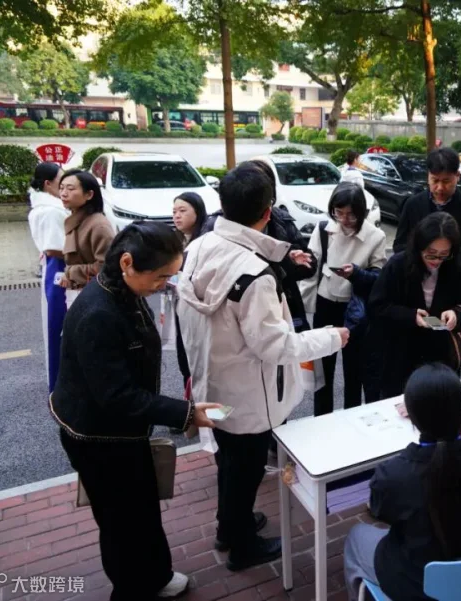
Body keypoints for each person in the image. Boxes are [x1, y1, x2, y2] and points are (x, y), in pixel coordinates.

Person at [176, 163, 348, 571]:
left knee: (229, 461)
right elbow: (276, 346)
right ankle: (242, 546)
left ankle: (228, 526)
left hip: (211, 382)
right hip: (249, 395)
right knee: (247, 467)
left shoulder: (199, 246)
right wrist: (331, 337)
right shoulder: (254, 275)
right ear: (268, 210)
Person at [50, 221, 221, 600]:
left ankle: (155, 576)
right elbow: (117, 396)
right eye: (160, 277)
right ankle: (132, 589)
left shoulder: (122, 289)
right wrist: (186, 413)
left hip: (124, 430)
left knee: (141, 509)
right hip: (99, 437)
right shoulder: (98, 313)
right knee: (121, 523)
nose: (164, 284)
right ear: (127, 262)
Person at [343, 363, 461, 601]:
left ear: (412, 417)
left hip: (421, 585)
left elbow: (381, 510)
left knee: (357, 535)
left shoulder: (394, 474)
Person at [301, 182, 387, 415]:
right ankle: (322, 419)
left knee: (353, 372)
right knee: (323, 371)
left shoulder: (376, 236)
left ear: (362, 212)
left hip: (354, 309)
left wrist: (356, 274)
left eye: (351, 214)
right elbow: (311, 270)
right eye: (339, 213)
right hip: (325, 304)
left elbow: (379, 277)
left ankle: (351, 417)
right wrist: (306, 308)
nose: (344, 219)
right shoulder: (323, 229)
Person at [202, 162, 317, 331]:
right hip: (234, 318)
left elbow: (309, 265)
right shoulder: (213, 228)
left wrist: (291, 262)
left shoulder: (282, 221)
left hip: (286, 307)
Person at [370, 212, 461, 398]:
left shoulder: (456, 268)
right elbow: (377, 306)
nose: (436, 261)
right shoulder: (398, 265)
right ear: (419, 246)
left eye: (443, 255)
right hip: (400, 355)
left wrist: (455, 313)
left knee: (437, 404)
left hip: (440, 355)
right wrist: (411, 316)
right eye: (430, 254)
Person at [392, 147, 461, 267]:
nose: (440, 188)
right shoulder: (413, 204)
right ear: (428, 176)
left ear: (457, 176)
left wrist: (448, 258)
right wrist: (422, 257)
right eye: (435, 181)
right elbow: (399, 245)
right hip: (416, 274)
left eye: (446, 181)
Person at [28, 161, 68, 392]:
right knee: (59, 327)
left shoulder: (44, 207)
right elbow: (54, 248)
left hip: (55, 268)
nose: (65, 188)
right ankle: (60, 385)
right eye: (61, 182)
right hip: (60, 269)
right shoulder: (51, 211)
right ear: (48, 184)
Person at [59, 169, 115, 308]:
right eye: (61, 188)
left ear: (89, 194)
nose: (64, 193)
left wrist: (71, 272)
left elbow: (107, 267)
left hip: (95, 296)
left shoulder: (98, 225)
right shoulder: (76, 220)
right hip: (79, 292)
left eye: (70, 188)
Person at [170, 192, 209, 391]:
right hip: (179, 304)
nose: (177, 216)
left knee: (198, 356)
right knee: (184, 355)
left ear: (198, 212)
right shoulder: (176, 240)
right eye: (174, 212)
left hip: (197, 308)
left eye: (182, 211)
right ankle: (190, 402)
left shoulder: (205, 242)